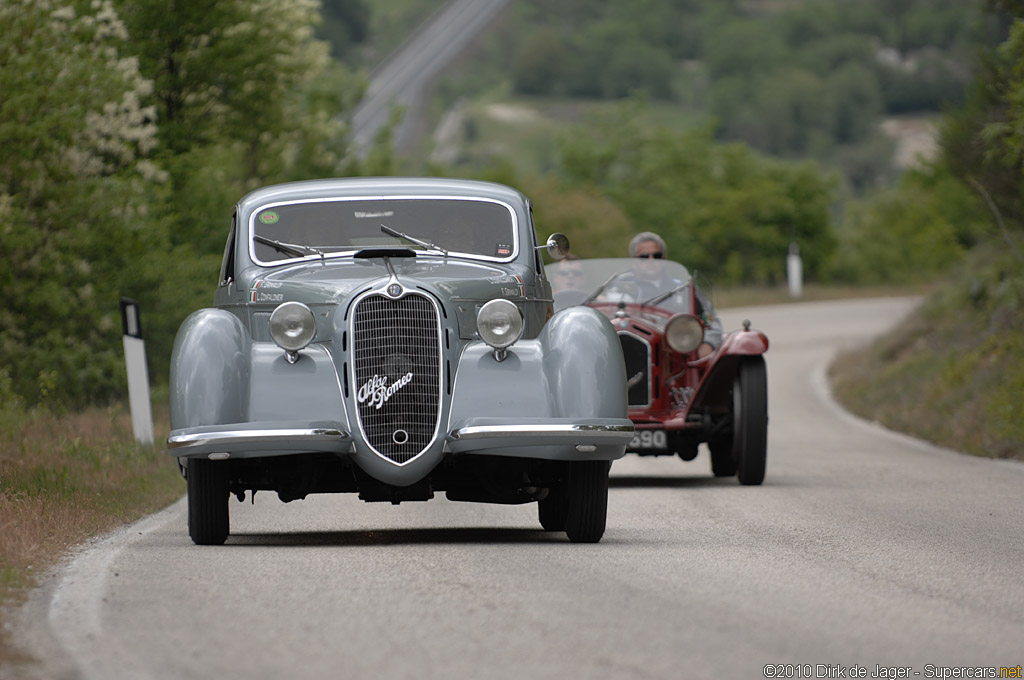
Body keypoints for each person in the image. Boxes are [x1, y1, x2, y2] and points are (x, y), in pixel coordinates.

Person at [627, 232, 723, 358]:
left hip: (679, 357)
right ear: (634, 261)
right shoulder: (619, 288)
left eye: (656, 256)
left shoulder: (684, 289)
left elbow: (710, 321)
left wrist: (707, 344)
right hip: (631, 352)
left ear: (664, 259)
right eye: (644, 257)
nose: (651, 261)